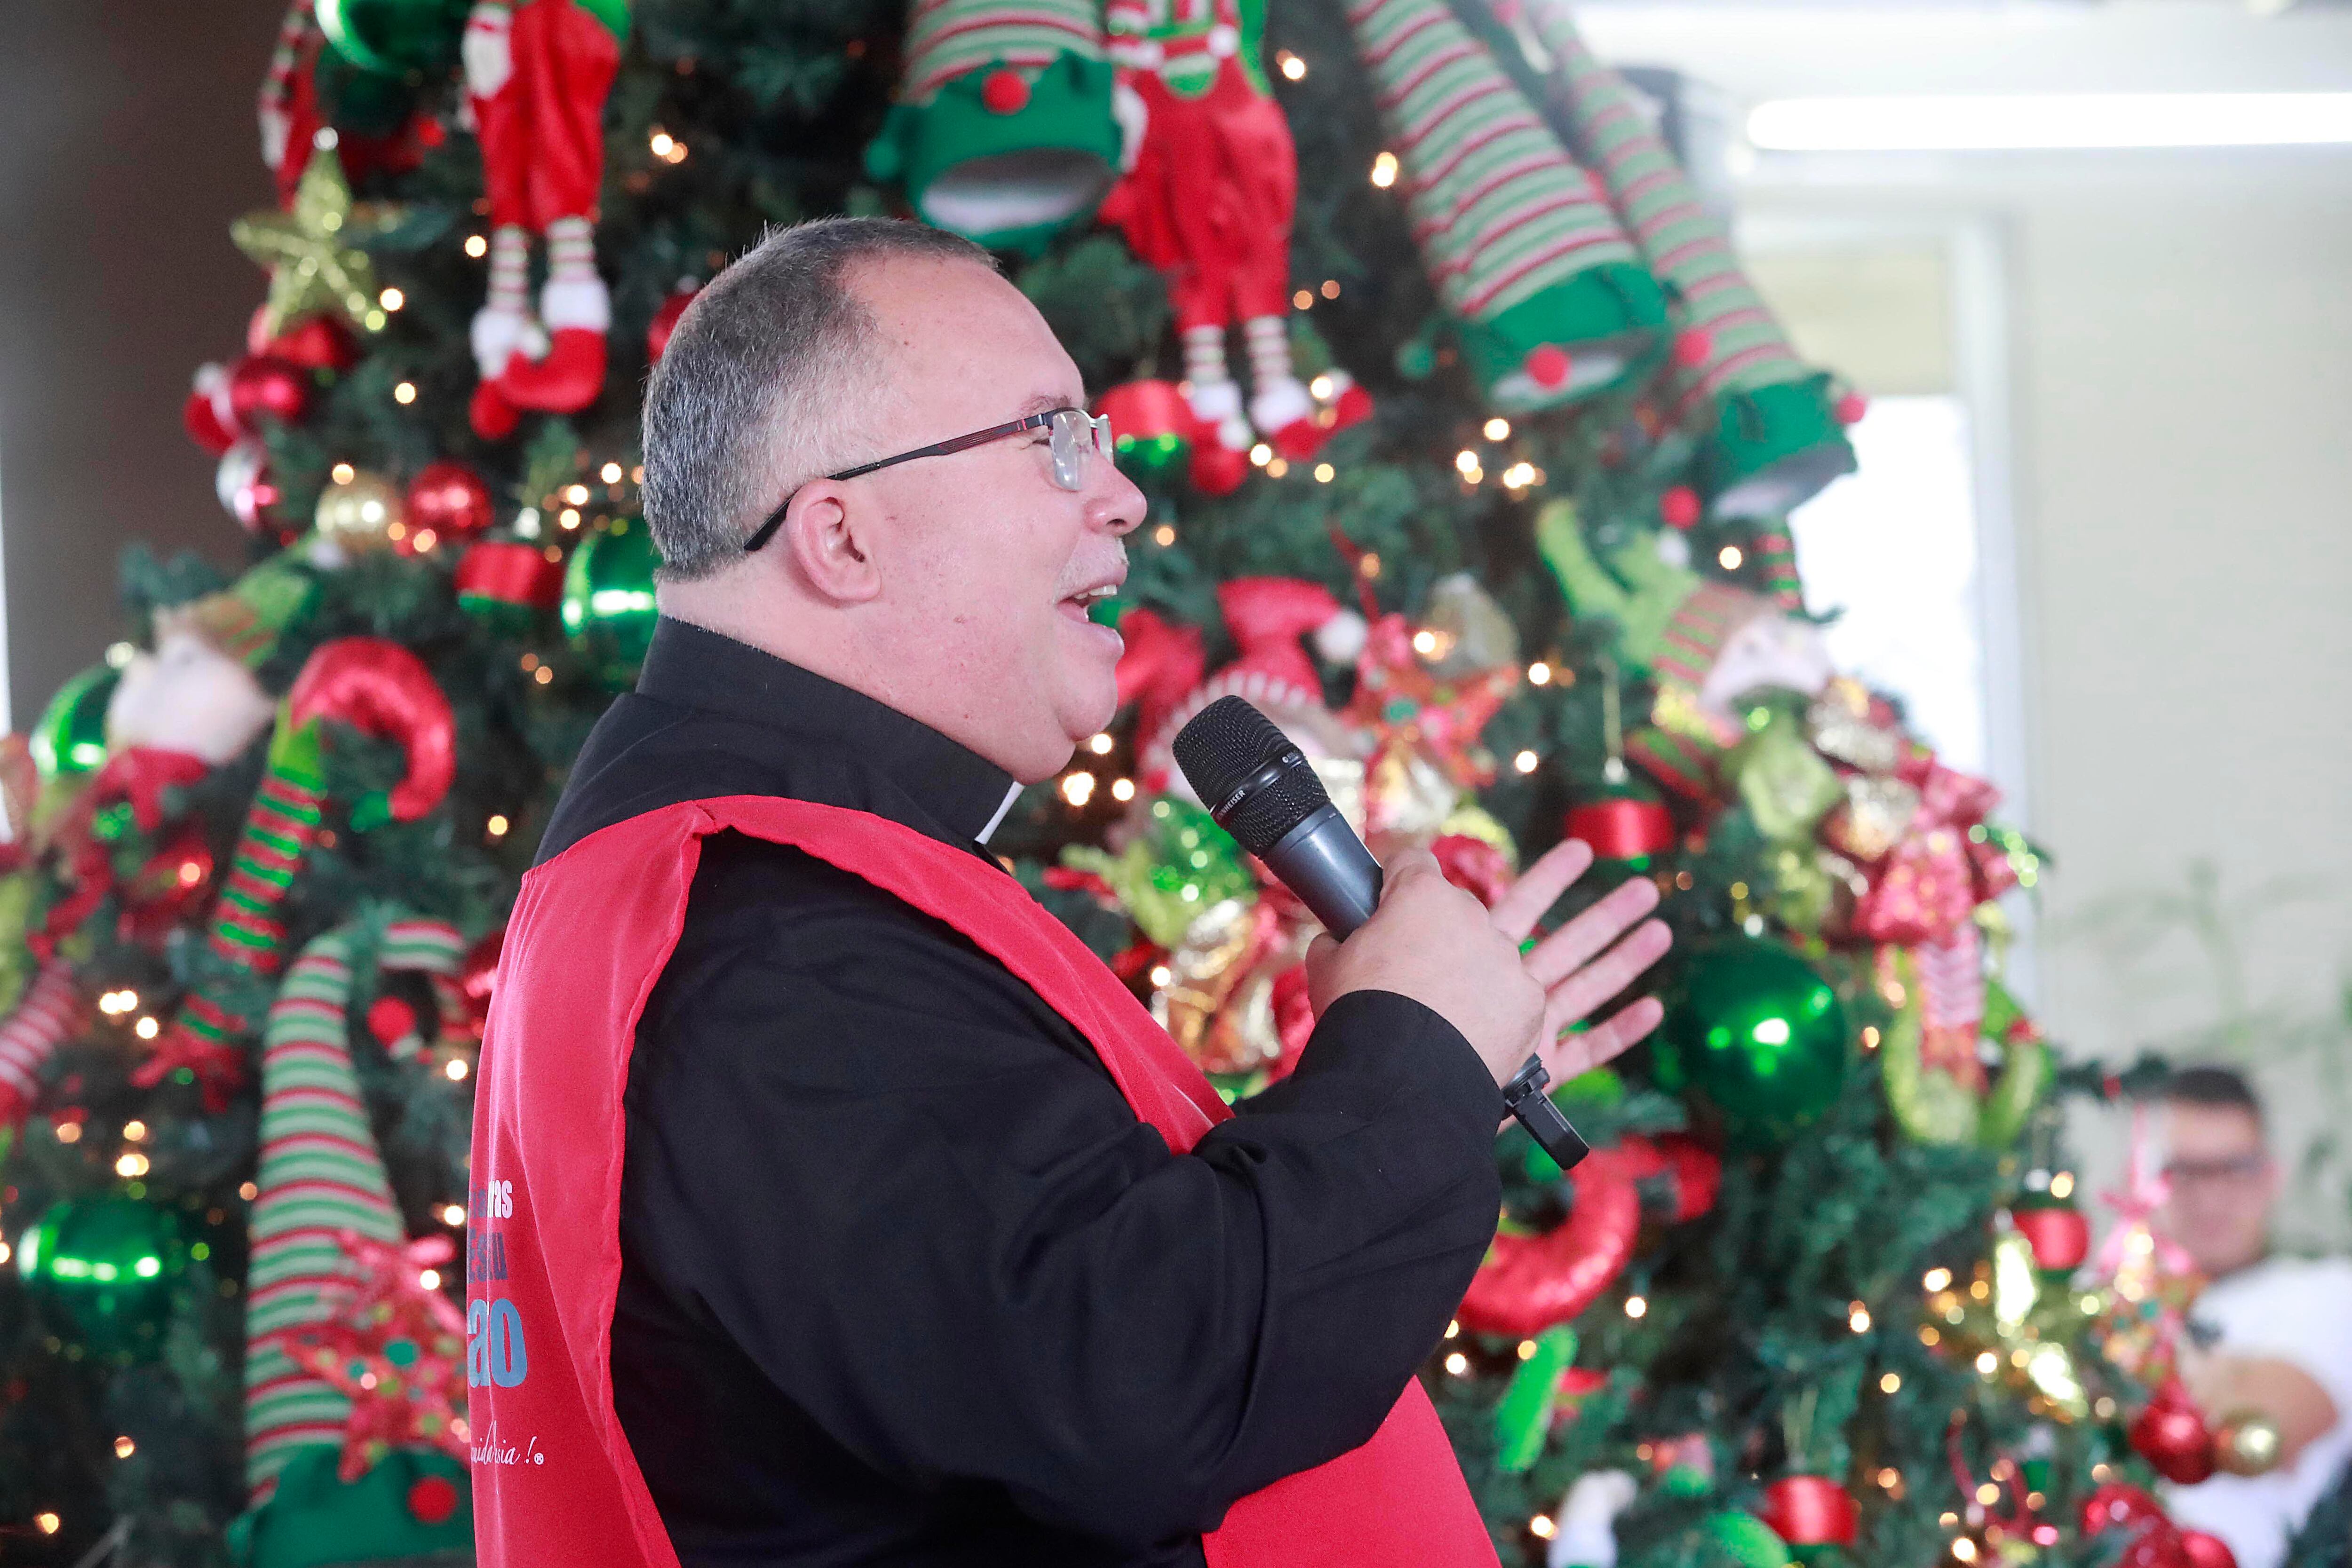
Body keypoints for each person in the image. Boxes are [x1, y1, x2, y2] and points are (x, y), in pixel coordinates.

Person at [466, 215, 1674, 1568]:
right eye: (1049, 437)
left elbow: (1024, 1325)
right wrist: (1412, 1062)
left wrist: (1428, 1076)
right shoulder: (770, 936)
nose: (1122, 496)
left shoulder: (735, 874)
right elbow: (1137, 1386)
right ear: (842, 538)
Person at [2158, 1066, 2352, 1568]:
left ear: (2272, 1177)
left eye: (2235, 1169)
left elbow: (2253, 1435)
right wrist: (2223, 1374)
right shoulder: (2106, 1296)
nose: (2211, 1198)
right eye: (2185, 1172)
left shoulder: (2325, 1291)